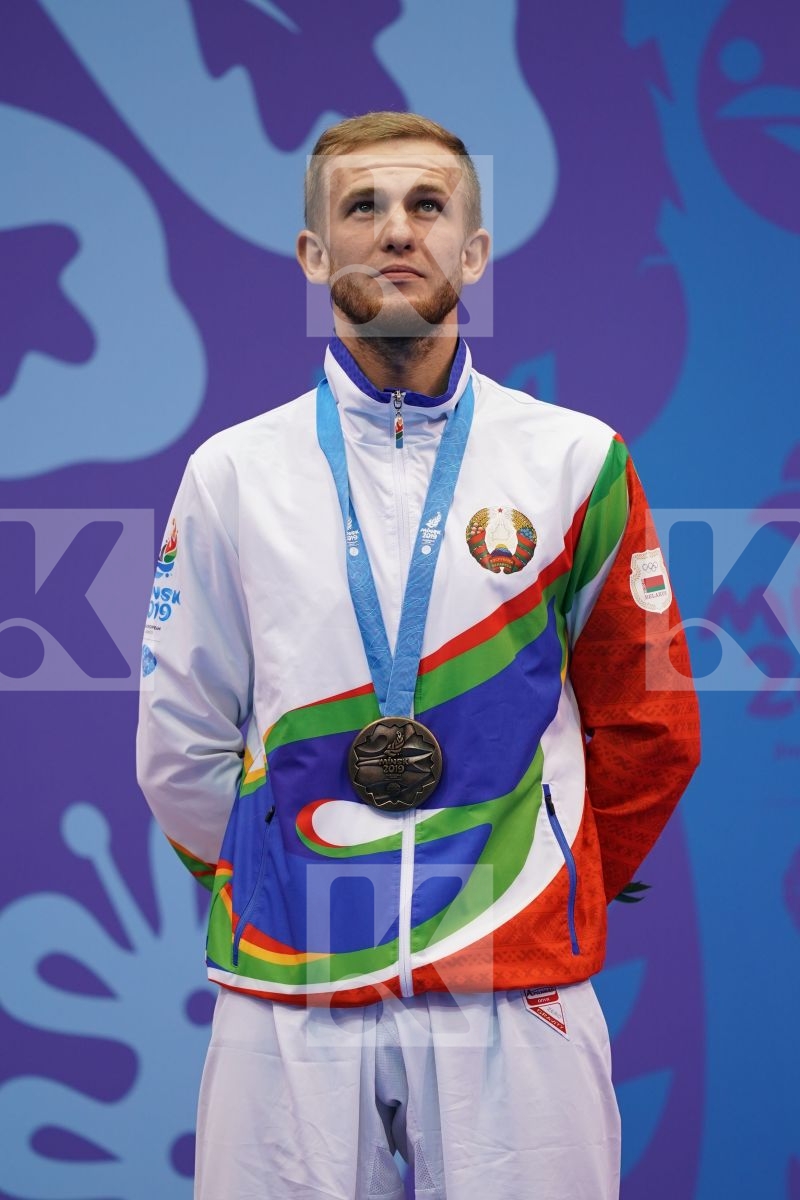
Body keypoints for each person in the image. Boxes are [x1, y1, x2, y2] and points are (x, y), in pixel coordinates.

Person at [136, 111, 701, 1200]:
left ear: (472, 253)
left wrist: (544, 879)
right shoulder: (231, 475)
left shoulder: (575, 460)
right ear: (314, 256)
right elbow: (179, 737)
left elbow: (647, 718)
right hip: (291, 982)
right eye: (362, 207)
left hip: (510, 973)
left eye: (427, 207)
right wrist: (276, 883)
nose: (397, 231)